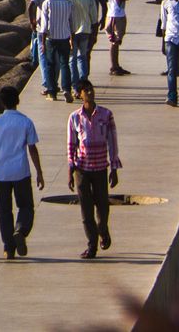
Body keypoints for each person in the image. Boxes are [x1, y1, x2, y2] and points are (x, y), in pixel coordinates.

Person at [0, 86, 43, 259]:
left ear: (2, 103)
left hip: (1, 173)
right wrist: (39, 172)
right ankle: (21, 230)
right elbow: (32, 149)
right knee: (25, 206)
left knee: (4, 211)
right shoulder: (25, 122)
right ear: (18, 100)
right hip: (21, 172)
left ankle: (8, 248)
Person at [66, 82, 121, 258]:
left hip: (100, 169)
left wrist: (114, 167)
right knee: (86, 209)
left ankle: (103, 230)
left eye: (91, 89)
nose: (90, 92)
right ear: (80, 95)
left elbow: (112, 142)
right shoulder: (74, 117)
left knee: (102, 205)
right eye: (86, 90)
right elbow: (71, 144)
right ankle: (92, 246)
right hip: (82, 169)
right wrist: (70, 170)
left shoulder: (106, 115)